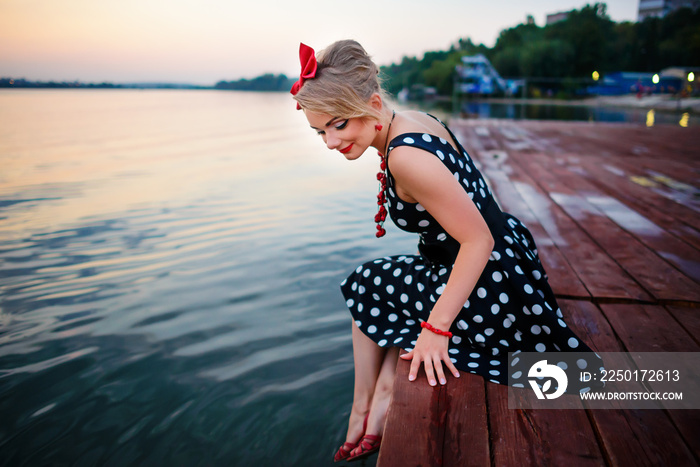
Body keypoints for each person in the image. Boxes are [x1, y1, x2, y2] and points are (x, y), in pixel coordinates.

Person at [291, 40, 603, 463]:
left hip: (488, 277)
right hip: (507, 257)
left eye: (338, 125)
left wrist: (436, 331)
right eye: (320, 131)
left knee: (363, 285)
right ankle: (378, 394)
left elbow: (478, 240)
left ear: (374, 103)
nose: (329, 141)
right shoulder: (412, 120)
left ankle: (365, 408)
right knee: (380, 282)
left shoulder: (406, 159)